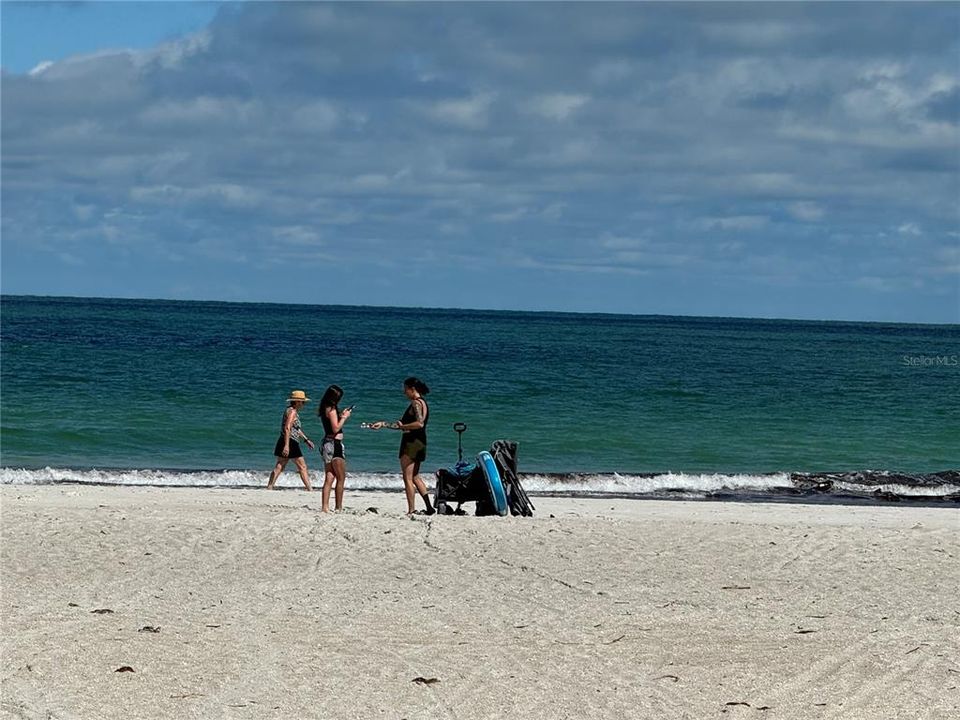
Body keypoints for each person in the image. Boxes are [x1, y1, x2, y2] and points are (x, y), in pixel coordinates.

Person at [369, 377, 435, 515]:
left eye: (405, 389)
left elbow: (419, 423)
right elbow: (402, 426)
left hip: (411, 443)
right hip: (420, 442)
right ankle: (429, 507)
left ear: (412, 389)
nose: (404, 392)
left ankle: (411, 509)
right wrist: (383, 424)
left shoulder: (416, 404)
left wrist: (403, 426)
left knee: (408, 477)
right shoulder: (422, 402)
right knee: (415, 476)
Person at [266, 390, 315, 490]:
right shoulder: (292, 412)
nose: (303, 404)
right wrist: (287, 445)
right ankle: (310, 488)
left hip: (284, 439)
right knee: (302, 466)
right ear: (297, 401)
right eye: (302, 402)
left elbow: (296, 429)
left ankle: (270, 486)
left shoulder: (289, 410)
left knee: (280, 465)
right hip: (290, 441)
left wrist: (306, 440)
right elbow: (287, 428)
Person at [318, 384, 352, 512]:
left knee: (329, 477)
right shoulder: (331, 410)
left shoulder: (324, 409)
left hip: (327, 444)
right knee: (341, 478)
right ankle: (338, 507)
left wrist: (341, 415)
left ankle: (325, 507)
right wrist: (344, 417)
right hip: (334, 444)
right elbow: (336, 428)